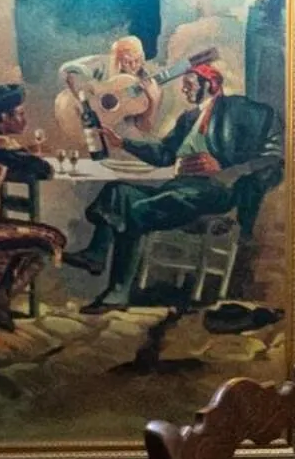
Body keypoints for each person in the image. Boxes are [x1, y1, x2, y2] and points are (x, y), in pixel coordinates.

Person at [62, 55, 282, 311]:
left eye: (189, 83)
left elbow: (273, 156)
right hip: (181, 189)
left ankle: (118, 292)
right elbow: (164, 155)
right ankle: (96, 255)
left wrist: (224, 169)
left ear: (209, 85)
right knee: (117, 192)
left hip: (216, 192)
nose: (184, 88)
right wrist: (123, 143)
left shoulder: (237, 110)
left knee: (136, 210)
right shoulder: (188, 119)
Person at [0, 83, 65, 333]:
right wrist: (27, 156)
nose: (25, 118)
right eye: (20, 113)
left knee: (34, 238)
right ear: (4, 118)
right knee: (50, 238)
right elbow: (43, 169)